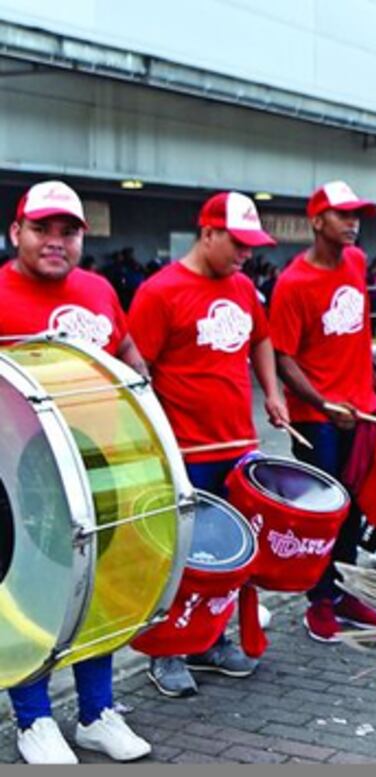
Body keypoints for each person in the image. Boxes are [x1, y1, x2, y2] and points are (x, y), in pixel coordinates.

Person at [0, 180, 152, 763]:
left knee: (101, 592)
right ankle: (34, 718)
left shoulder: (98, 289)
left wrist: (141, 396)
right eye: (42, 229)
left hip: (102, 469)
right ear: (17, 233)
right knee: (34, 597)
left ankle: (96, 711)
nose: (56, 241)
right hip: (27, 483)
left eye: (69, 231)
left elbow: (130, 352)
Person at [127, 191, 288, 698]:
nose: (245, 254)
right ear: (208, 233)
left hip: (238, 444)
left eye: (250, 245)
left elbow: (261, 338)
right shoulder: (159, 292)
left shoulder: (244, 288)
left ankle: (212, 640)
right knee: (180, 557)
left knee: (232, 554)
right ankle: (168, 650)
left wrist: (272, 392)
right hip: (184, 453)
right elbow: (137, 370)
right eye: (237, 243)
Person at [269, 180, 376, 642]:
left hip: (361, 409)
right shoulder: (293, 284)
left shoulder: (357, 262)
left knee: (358, 503)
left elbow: (354, 330)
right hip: (316, 417)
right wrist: (322, 402)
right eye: (343, 214)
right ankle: (319, 600)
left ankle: (343, 589)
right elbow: (283, 357)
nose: (353, 223)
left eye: (356, 214)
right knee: (324, 511)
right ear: (317, 221)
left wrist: (372, 371)